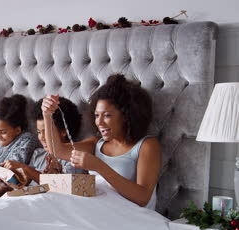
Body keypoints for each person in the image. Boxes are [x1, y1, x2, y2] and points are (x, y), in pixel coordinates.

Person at [41, 74, 161, 209]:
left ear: (127, 116)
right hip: (98, 210)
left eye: (107, 115)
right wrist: (47, 115)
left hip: (130, 216)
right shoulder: (96, 144)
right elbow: (57, 151)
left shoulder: (146, 145)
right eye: (97, 115)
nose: (99, 122)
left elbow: (143, 198)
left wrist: (100, 167)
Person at [0, 97, 85, 184]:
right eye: (39, 132)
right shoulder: (38, 154)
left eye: (46, 132)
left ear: (64, 132)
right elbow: (26, 182)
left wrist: (26, 169)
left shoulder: (74, 158)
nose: (42, 137)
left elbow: (64, 185)